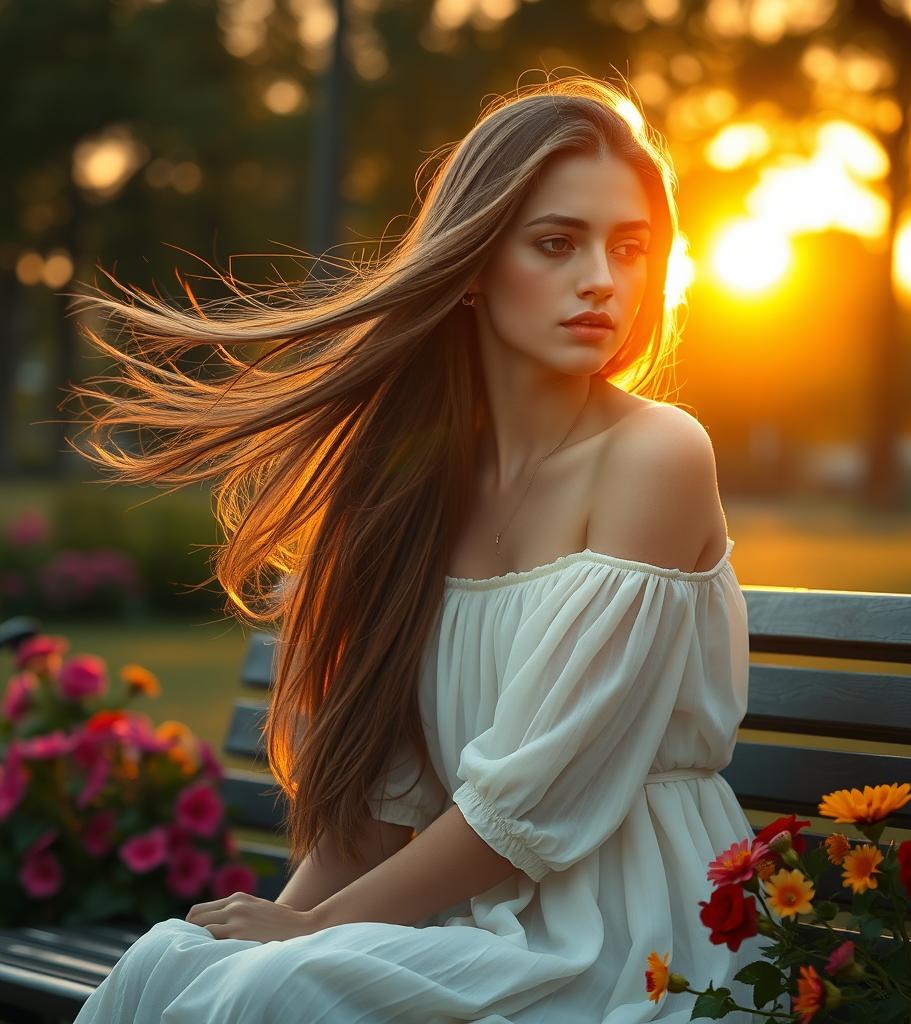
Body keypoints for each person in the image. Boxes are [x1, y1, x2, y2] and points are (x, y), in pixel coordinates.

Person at [68, 72, 772, 1023]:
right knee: (169, 963)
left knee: (276, 989)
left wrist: (308, 939)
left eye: (630, 246)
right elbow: (379, 812)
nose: (603, 278)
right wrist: (274, 927)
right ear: (475, 263)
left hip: (627, 928)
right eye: (558, 243)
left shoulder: (657, 454)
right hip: (468, 907)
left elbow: (532, 803)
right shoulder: (412, 484)